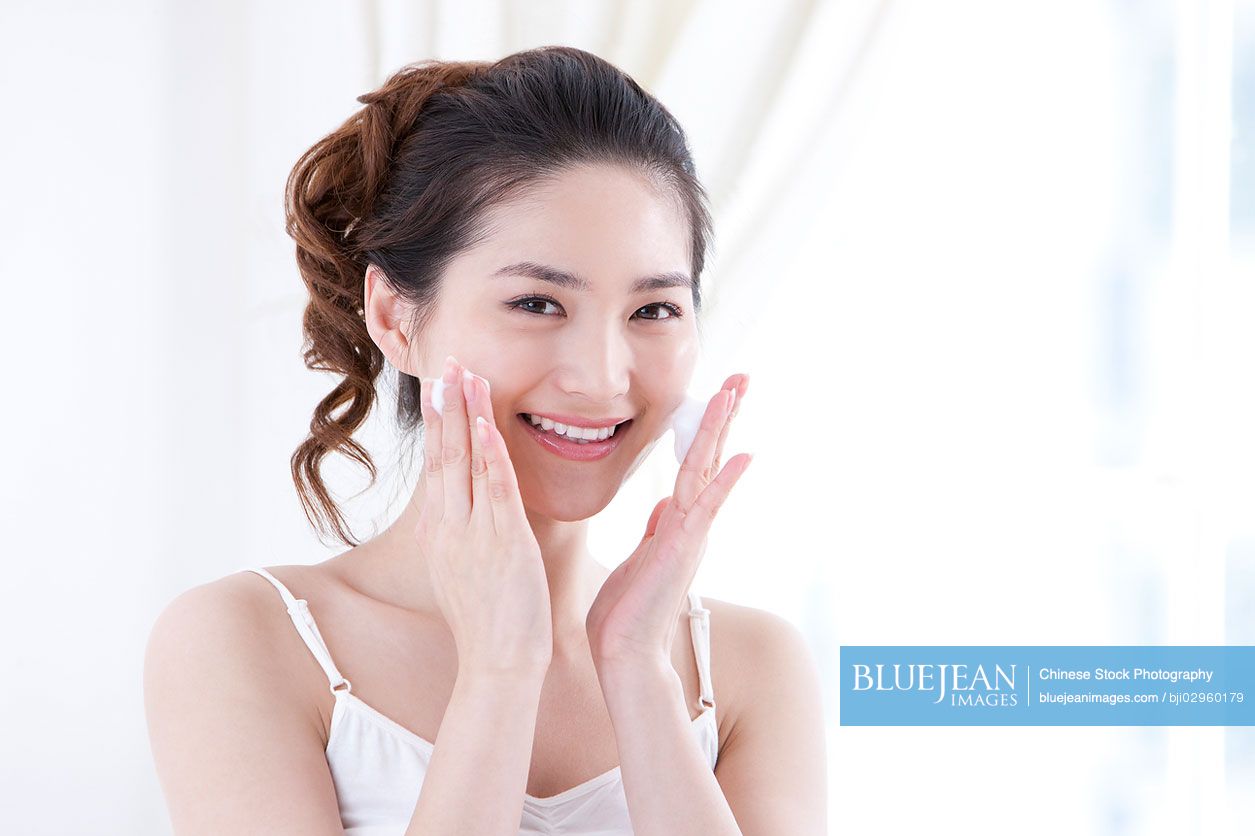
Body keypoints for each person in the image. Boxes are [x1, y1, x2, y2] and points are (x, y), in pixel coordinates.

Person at [144, 45, 827, 835]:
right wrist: (499, 673)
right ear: (397, 318)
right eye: (537, 303)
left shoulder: (749, 669)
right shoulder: (246, 640)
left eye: (652, 311)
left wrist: (637, 672)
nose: (602, 377)